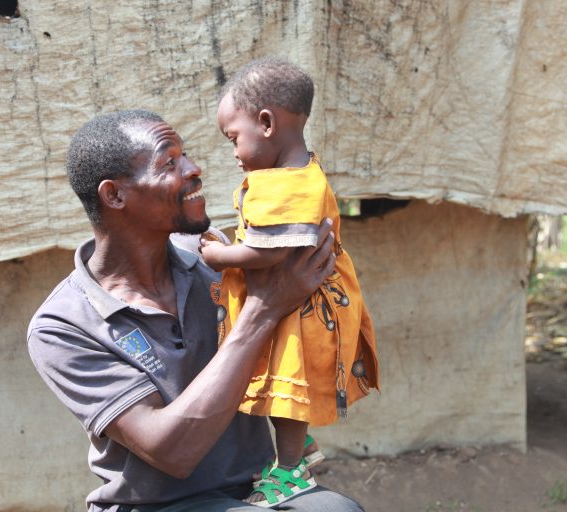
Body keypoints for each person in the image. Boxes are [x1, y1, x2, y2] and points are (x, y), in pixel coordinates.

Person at [27, 109, 367, 512]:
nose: (193, 169)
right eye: (169, 163)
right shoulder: (64, 325)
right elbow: (172, 452)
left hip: (256, 492)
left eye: (185, 156)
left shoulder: (212, 258)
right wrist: (263, 309)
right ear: (114, 195)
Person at [199, 57, 379, 507]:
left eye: (233, 138)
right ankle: (298, 448)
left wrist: (221, 256)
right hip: (293, 305)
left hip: (302, 311)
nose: (234, 151)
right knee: (278, 389)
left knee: (286, 387)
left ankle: (291, 471)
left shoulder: (291, 183)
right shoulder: (287, 173)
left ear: (265, 123)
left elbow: (272, 251)